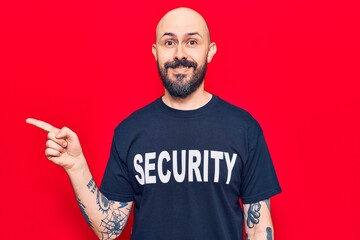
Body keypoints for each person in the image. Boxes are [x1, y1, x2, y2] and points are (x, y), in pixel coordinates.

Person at [27, 7, 281, 240]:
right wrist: (76, 166)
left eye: (192, 42)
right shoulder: (130, 131)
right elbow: (109, 229)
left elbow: (259, 228)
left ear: (210, 51)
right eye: (169, 43)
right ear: (155, 52)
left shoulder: (244, 129)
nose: (180, 54)